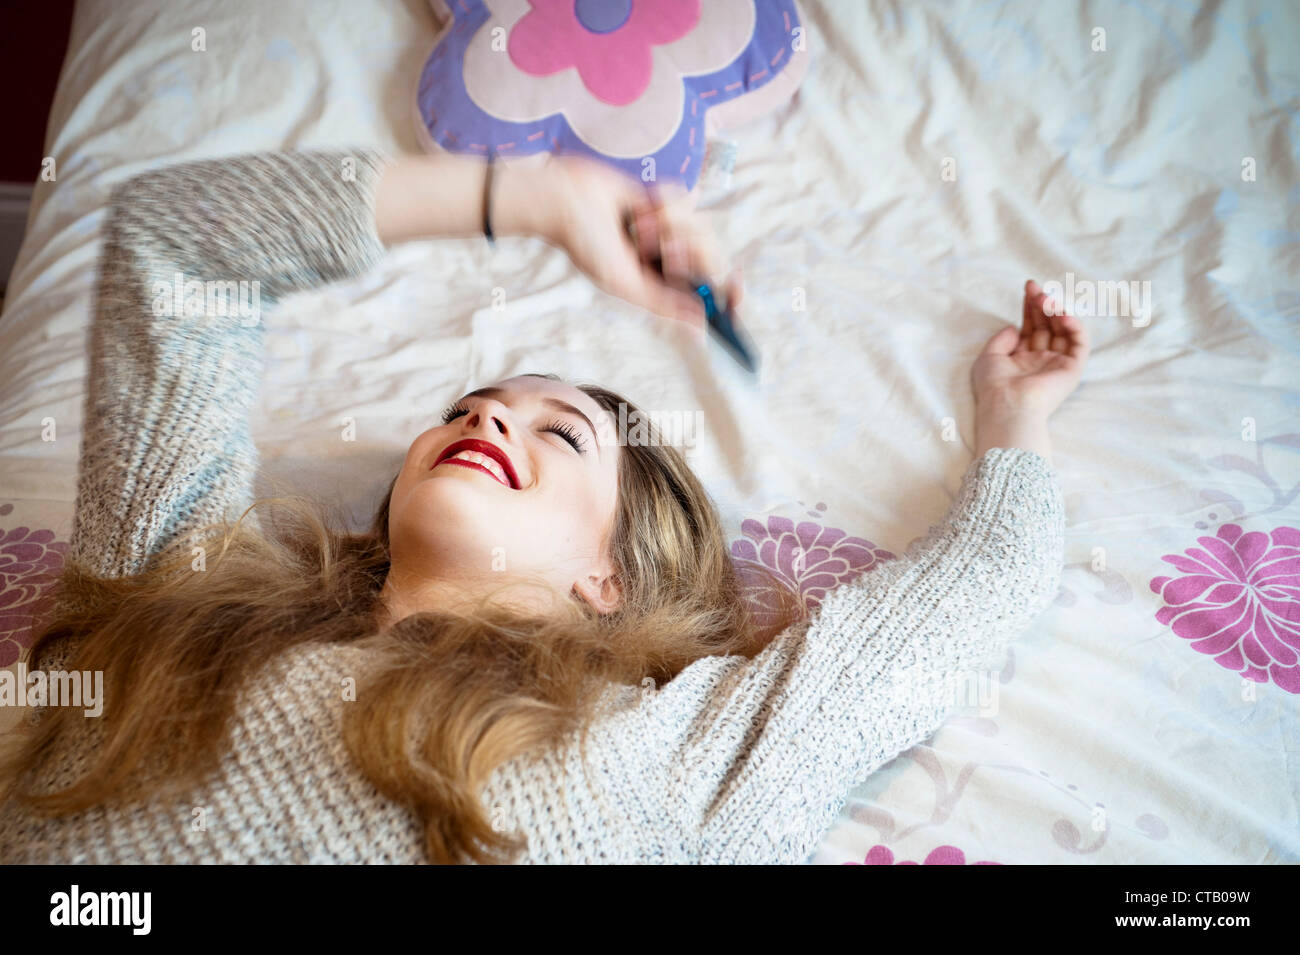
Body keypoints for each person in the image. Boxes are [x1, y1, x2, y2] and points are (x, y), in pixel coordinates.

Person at [0, 147, 1086, 864]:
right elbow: (176, 239)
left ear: (608, 575)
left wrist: (1013, 417)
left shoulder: (679, 754)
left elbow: (967, 594)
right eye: (467, 407)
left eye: (557, 432)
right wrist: (532, 197)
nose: (484, 422)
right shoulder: (185, 591)